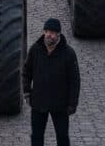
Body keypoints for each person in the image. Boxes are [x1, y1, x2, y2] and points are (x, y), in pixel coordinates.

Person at [23, 18, 80, 146]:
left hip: (60, 104)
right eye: (47, 31)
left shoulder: (68, 54)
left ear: (58, 34)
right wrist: (27, 92)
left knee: (62, 137)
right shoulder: (35, 50)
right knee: (36, 136)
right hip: (38, 102)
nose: (49, 35)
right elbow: (26, 72)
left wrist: (72, 103)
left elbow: (74, 81)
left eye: (52, 32)